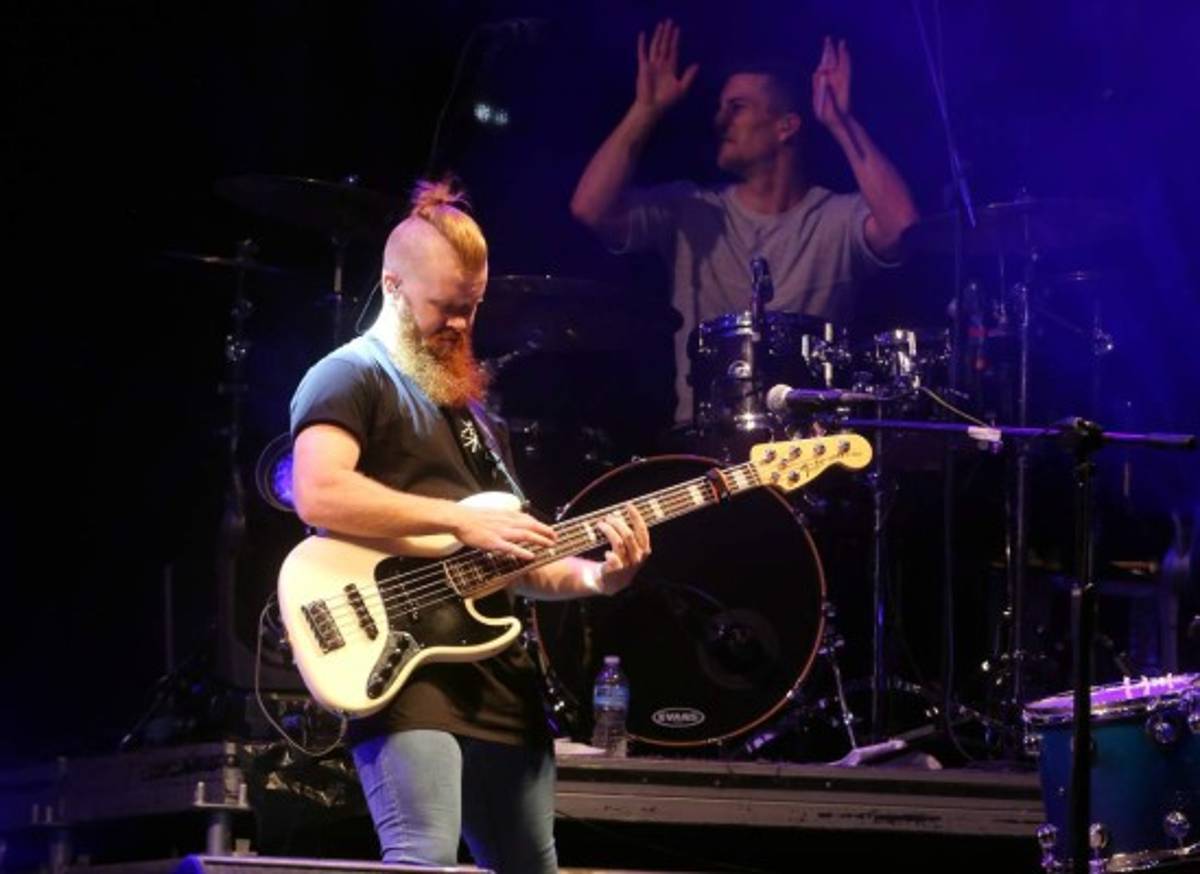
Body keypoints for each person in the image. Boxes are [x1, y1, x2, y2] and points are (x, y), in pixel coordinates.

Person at [289, 180, 651, 873]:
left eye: (471, 308)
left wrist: (599, 577)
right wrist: (459, 520)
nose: (460, 325)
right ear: (393, 286)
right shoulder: (348, 376)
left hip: (499, 676)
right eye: (445, 308)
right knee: (421, 857)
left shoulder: (478, 415)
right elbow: (318, 493)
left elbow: (517, 559)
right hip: (405, 666)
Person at [571, 19, 920, 422]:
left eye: (737, 108)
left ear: (786, 126)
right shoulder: (692, 209)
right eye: (721, 108)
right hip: (704, 447)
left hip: (810, 451)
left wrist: (841, 123)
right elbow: (590, 208)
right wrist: (644, 111)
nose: (720, 121)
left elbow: (901, 228)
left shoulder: (834, 218)